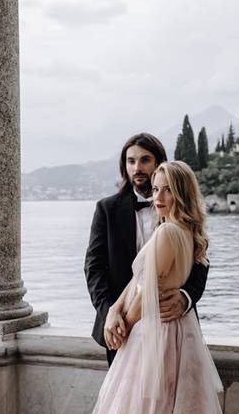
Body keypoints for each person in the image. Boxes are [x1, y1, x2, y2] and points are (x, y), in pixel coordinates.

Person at [8, 161, 239, 414]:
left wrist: (126, 324)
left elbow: (146, 293)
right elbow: (133, 284)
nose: (158, 197)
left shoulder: (170, 231)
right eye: (155, 190)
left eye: (166, 189)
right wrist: (114, 312)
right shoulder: (183, 231)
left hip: (154, 339)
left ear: (182, 193)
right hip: (173, 339)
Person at [84, 133, 208, 365]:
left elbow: (200, 262)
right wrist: (111, 313)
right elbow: (94, 269)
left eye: (145, 160)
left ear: (159, 162)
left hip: (171, 324)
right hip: (121, 329)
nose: (137, 167)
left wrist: (186, 297)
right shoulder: (106, 209)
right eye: (131, 161)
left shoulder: (180, 217)